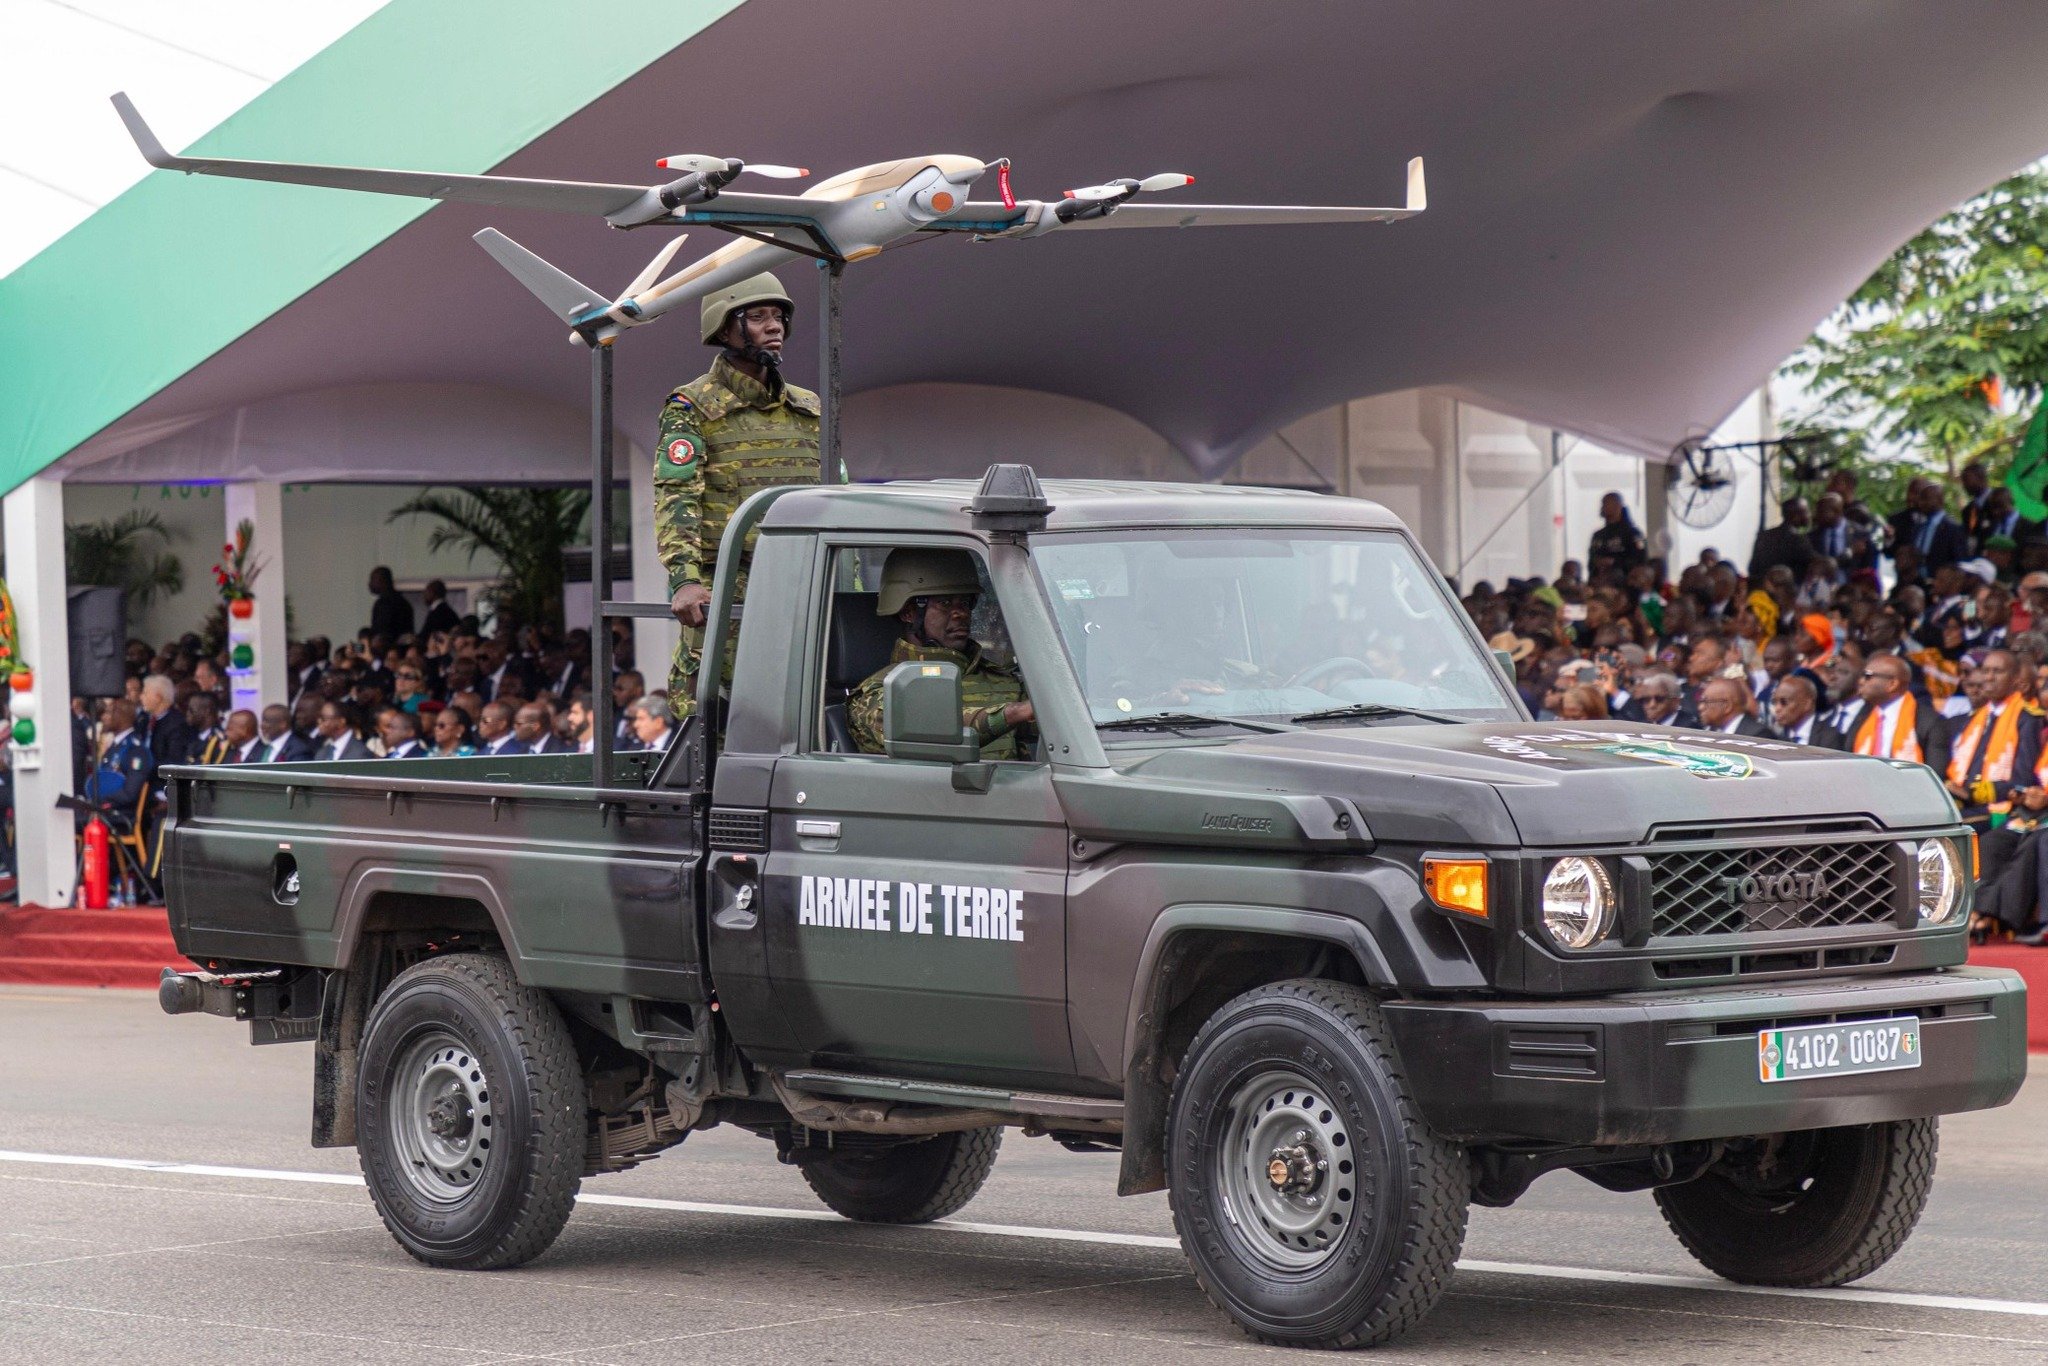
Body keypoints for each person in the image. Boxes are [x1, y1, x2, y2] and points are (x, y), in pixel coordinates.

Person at [655, 273, 824, 712]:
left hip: (802, 585)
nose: (775, 327)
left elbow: (836, 499)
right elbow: (676, 497)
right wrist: (685, 580)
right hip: (727, 593)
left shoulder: (808, 409)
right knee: (716, 718)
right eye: (758, 316)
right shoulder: (693, 407)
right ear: (725, 328)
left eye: (779, 316)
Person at [848, 549, 1033, 758]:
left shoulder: (1003, 681)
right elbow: (935, 730)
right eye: (945, 603)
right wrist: (1013, 713)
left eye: (965, 603)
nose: (961, 613)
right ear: (909, 612)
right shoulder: (877, 694)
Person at [1943, 649, 2042, 828]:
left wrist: (1971, 793)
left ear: (2015, 679)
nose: (1988, 677)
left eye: (1997, 672)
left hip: (2000, 809)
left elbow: (2023, 781)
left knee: (1943, 828)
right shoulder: (1977, 718)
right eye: (1985, 670)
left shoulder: (2027, 718)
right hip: (1965, 804)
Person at [1838, 652, 1951, 771]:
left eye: (1868, 676)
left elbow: (1935, 773)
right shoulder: (1863, 716)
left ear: (1892, 684)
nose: (1861, 682)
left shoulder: (1930, 721)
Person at [1747, 497, 1816, 582]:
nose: (1810, 514)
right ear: (1795, 516)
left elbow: (1752, 568)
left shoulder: (1764, 536)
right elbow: (1815, 565)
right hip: (1785, 591)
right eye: (1806, 511)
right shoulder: (1798, 540)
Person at [1765, 674, 1836, 747]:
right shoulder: (1778, 736)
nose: (1777, 709)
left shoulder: (1829, 736)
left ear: (1807, 704)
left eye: (1784, 702)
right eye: (1774, 702)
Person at [1586, 492, 1646, 579]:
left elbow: (1640, 559)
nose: (1602, 508)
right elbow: (1591, 562)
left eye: (1606, 503)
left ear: (1617, 506)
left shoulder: (1634, 534)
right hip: (1599, 581)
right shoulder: (1598, 535)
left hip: (1625, 582)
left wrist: (1614, 562)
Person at [1696, 676, 1770, 737]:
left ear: (1727, 706)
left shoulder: (1756, 734)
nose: (1700, 707)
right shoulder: (1710, 731)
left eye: (1706, 702)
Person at [367, 566, 414, 642]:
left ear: (382, 581)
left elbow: (383, 631)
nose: (369, 584)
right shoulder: (403, 602)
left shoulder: (385, 603)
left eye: (373, 579)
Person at [185, 693, 229, 764]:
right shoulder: (191, 734)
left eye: (191, 710)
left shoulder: (219, 740)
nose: (187, 713)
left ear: (206, 711)